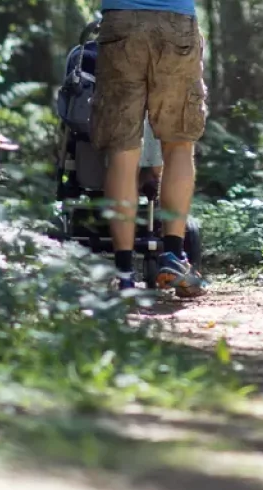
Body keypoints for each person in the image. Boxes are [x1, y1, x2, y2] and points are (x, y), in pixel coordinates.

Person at [93, 0, 207, 297]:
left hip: (121, 23)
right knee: (179, 143)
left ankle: (124, 273)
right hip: (175, 22)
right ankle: (173, 256)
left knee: (122, 149)